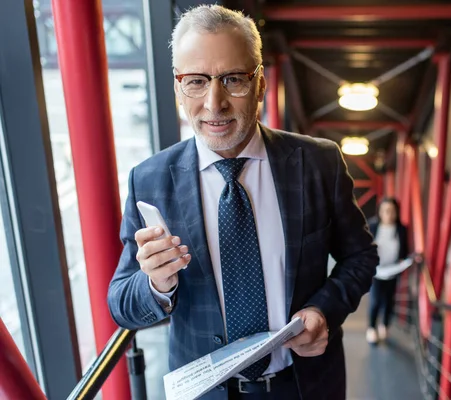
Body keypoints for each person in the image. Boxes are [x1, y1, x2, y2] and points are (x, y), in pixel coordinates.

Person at [107, 5, 378, 400]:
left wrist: (323, 311)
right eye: (196, 81)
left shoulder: (317, 162)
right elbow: (121, 304)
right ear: (177, 88)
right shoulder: (149, 180)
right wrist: (156, 284)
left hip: (304, 386)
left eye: (233, 79)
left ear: (261, 85)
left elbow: (361, 257)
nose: (214, 103)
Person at [366, 198, 408, 345]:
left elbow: (404, 250)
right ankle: (371, 328)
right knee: (376, 300)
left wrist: (405, 260)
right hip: (376, 271)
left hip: (393, 270)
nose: (389, 214)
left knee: (389, 300)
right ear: (380, 212)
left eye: (392, 211)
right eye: (385, 211)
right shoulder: (372, 226)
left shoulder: (401, 229)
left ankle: (385, 325)